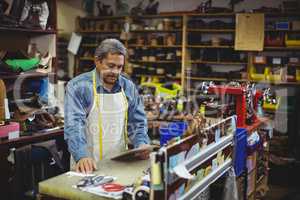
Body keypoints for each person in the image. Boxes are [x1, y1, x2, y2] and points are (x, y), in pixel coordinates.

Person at [64, 39, 150, 173]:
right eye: (110, 66)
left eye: (119, 67)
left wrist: (142, 143)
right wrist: (82, 155)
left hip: (120, 162)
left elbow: (137, 122)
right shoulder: (78, 87)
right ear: (97, 61)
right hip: (88, 165)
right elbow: (74, 125)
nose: (115, 71)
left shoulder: (128, 86)